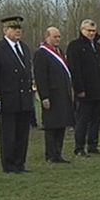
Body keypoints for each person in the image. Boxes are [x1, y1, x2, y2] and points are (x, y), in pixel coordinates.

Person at [0, 15, 35, 173]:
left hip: (24, 98)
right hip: (8, 98)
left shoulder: (25, 47)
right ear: (5, 30)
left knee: (22, 133)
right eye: (14, 29)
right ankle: (9, 165)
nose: (17, 32)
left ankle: (20, 163)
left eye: (19, 29)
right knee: (8, 134)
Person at [67, 19, 100, 156]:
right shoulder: (75, 46)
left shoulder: (97, 46)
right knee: (83, 120)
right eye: (88, 31)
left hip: (98, 90)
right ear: (82, 30)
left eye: (93, 31)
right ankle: (79, 147)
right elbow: (75, 69)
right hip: (85, 91)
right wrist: (79, 89)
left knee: (95, 120)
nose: (91, 33)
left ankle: (93, 145)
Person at [33, 27, 75, 163]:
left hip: (63, 94)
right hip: (51, 95)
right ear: (47, 37)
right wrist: (44, 96)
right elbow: (41, 77)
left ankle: (58, 153)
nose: (58, 39)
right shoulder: (42, 53)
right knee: (51, 125)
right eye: (55, 37)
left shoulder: (60, 52)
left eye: (59, 37)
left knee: (61, 124)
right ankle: (50, 154)